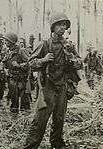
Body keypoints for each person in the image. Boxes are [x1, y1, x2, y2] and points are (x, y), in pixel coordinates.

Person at [24, 12, 82, 148]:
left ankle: (57, 144)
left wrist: (72, 59)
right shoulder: (44, 44)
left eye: (65, 25)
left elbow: (80, 63)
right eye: (60, 25)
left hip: (62, 87)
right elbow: (30, 63)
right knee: (40, 120)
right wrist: (44, 60)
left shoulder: (69, 45)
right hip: (47, 88)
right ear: (53, 27)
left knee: (59, 119)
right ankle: (30, 146)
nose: (63, 27)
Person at [3, 32, 30, 114]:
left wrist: (19, 65)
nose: (5, 43)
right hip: (12, 78)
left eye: (6, 41)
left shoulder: (21, 51)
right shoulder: (8, 52)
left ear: (11, 42)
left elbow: (29, 62)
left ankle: (25, 116)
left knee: (24, 99)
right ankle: (14, 114)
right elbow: (5, 62)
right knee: (13, 98)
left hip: (21, 78)